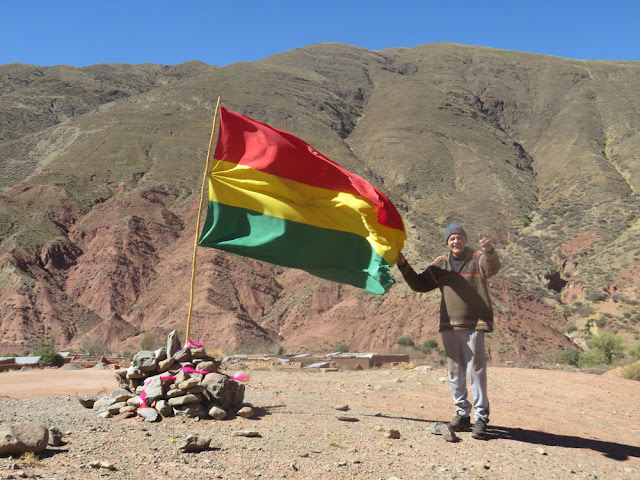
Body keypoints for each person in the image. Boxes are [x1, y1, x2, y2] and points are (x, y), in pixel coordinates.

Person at [396, 222, 500, 440]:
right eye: (452, 238)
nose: (456, 241)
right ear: (447, 242)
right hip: (449, 325)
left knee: (476, 371)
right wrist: (403, 265)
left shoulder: (477, 259)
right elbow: (419, 284)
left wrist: (489, 251)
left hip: (473, 324)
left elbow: (492, 268)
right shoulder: (440, 265)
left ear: (465, 240)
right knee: (455, 371)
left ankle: (481, 417)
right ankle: (462, 415)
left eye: (459, 237)